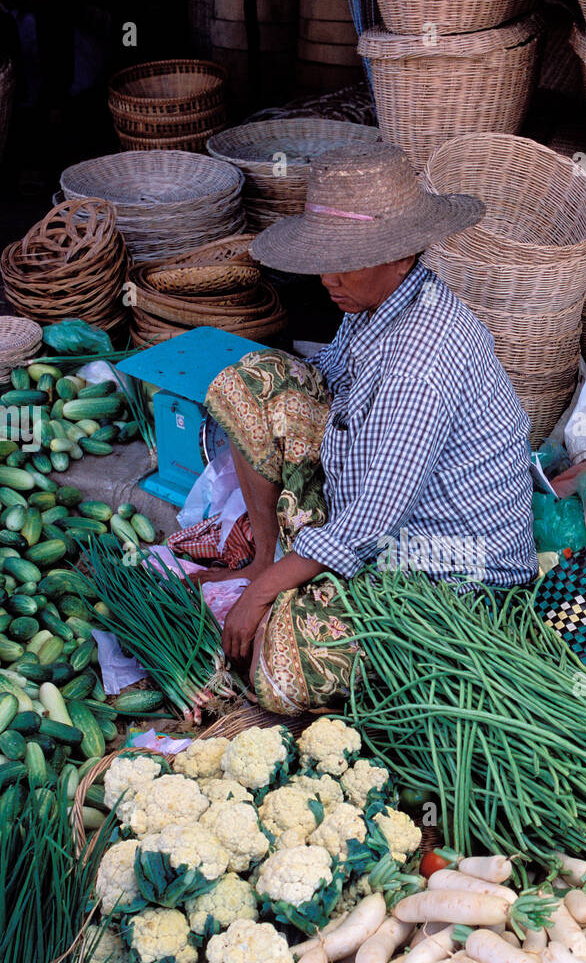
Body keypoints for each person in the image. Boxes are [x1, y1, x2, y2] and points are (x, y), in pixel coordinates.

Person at [199, 140, 538, 715]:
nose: (328, 279)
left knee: (283, 674)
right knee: (247, 385)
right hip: (379, 514)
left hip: (445, 566)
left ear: (402, 256)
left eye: (346, 260)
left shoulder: (423, 356)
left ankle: (286, 580)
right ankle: (267, 555)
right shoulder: (374, 306)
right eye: (323, 258)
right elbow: (327, 377)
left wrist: (261, 596)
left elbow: (376, 519)